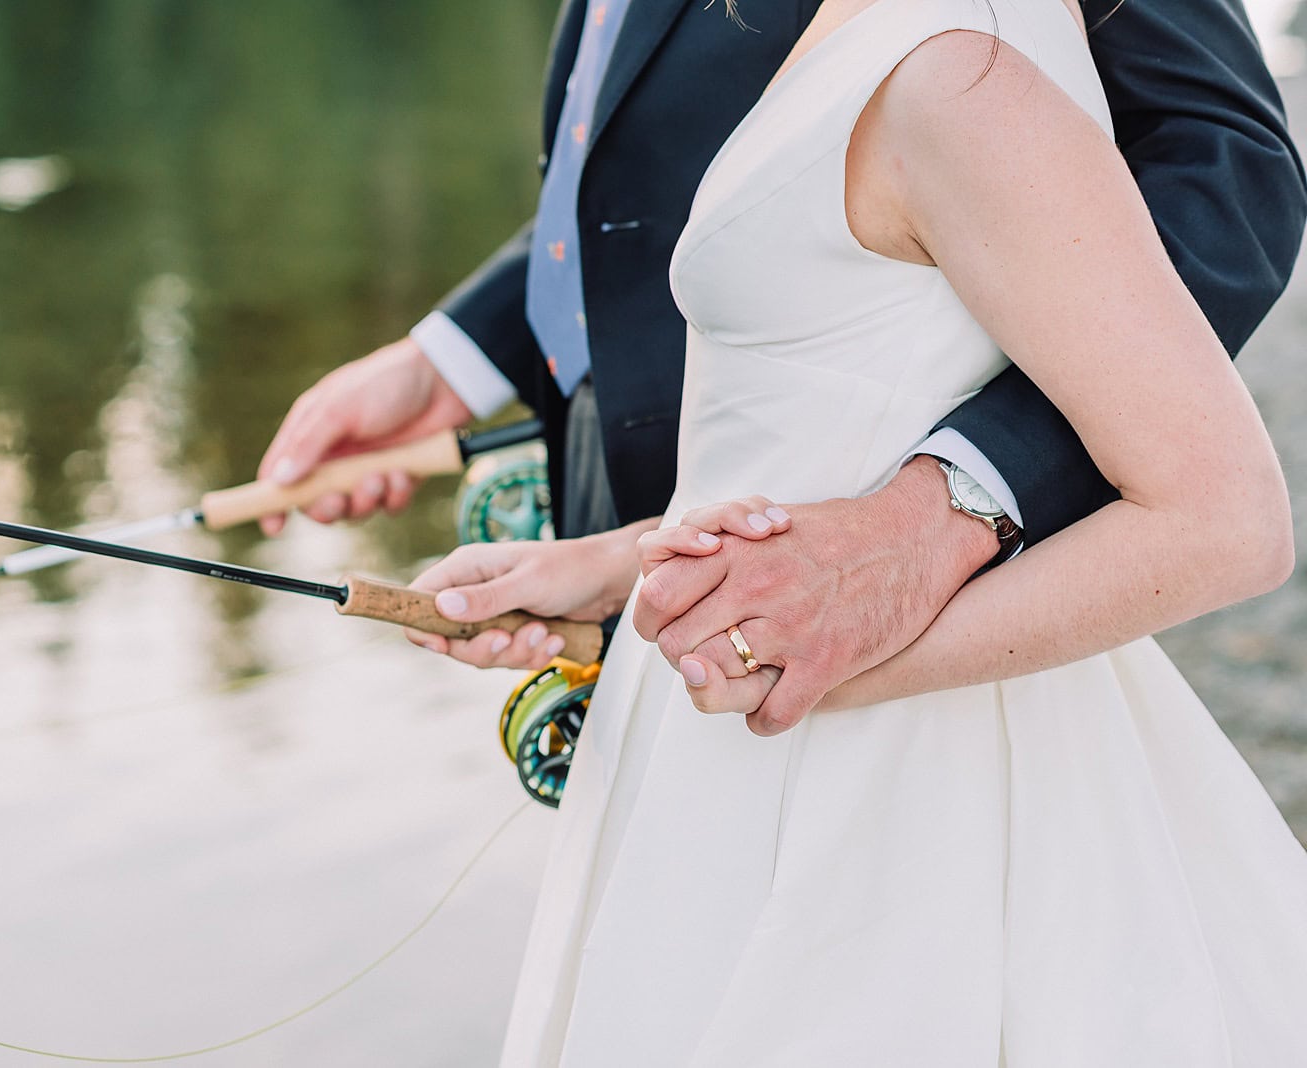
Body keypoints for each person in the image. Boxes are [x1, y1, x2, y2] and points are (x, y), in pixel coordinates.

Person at [455, 0, 1304, 1061]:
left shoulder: (965, 84)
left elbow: (1228, 521)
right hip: (741, 732)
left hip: (871, 777)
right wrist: (622, 569)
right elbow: (834, 413)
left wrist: (831, 659)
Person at [257, 0, 1305, 707]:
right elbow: (660, 158)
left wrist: (948, 508)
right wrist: (463, 365)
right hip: (680, 571)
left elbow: (1219, 177)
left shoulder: (964, 73)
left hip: (867, 656)